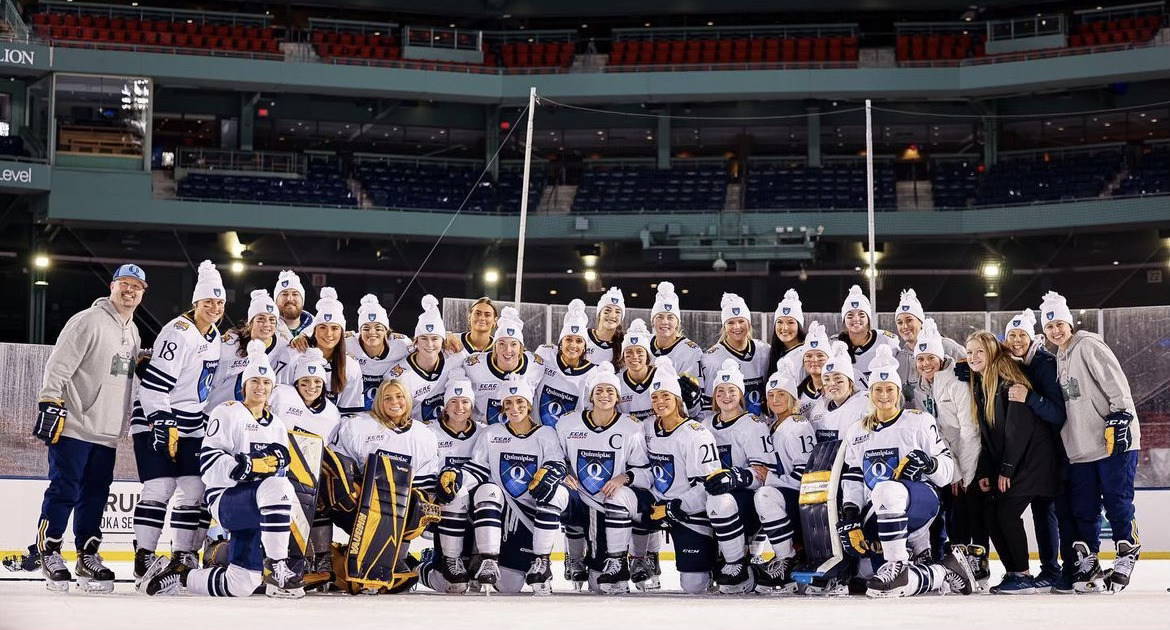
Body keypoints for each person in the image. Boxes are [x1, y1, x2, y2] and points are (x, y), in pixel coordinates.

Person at [139, 340, 302, 598]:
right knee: (279, 486)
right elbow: (209, 464)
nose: (260, 387)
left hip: (261, 507)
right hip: (227, 500)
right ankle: (277, 565)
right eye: (254, 382)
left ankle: (182, 577)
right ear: (244, 385)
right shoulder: (226, 413)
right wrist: (247, 466)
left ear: (272, 387)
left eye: (266, 383)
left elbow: (280, 468)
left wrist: (270, 465)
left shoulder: (278, 425)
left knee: (241, 584)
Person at [33, 263, 145, 592]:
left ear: (143, 292)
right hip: (75, 425)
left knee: (95, 495)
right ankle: (49, 552)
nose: (129, 290)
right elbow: (60, 362)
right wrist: (50, 399)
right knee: (64, 489)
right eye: (124, 283)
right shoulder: (88, 320)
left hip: (108, 432)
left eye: (136, 286)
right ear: (112, 286)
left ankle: (87, 555)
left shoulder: (133, 330)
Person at [837, 345, 974, 598]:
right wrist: (851, 514)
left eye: (889, 389)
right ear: (870, 393)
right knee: (872, 580)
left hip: (921, 503)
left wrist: (928, 463)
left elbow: (946, 472)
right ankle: (943, 571)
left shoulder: (919, 421)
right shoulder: (857, 431)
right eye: (878, 389)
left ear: (899, 392)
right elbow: (854, 478)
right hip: (879, 511)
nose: (884, 395)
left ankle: (898, 562)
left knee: (886, 488)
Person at [1040, 290, 1141, 593]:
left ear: (1069, 323)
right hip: (1081, 447)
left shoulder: (1088, 345)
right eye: (1049, 327)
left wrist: (1122, 414)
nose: (1056, 331)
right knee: (1083, 507)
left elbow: (1114, 380)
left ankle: (1126, 553)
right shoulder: (1058, 356)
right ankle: (1090, 560)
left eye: (1059, 324)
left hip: (1112, 441)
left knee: (1116, 500)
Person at [130, 260, 224, 583]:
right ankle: (144, 555)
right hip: (155, 416)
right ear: (195, 302)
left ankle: (183, 554)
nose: (214, 307)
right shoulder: (178, 333)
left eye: (219, 302)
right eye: (208, 302)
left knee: (194, 487)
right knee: (160, 486)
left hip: (191, 422)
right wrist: (162, 422)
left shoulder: (215, 337)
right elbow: (154, 388)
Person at [438, 374, 568, 595]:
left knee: (556, 493)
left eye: (519, 402)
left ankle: (542, 561)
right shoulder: (492, 433)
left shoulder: (546, 434)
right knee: (487, 490)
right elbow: (477, 469)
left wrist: (550, 473)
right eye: (508, 403)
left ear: (528, 405)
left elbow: (557, 465)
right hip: (504, 509)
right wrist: (457, 478)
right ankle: (488, 559)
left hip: (531, 513)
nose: (514, 408)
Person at [965, 330, 1059, 594]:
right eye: (969, 352)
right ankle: (1014, 572)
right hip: (1014, 461)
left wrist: (1006, 469)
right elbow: (987, 435)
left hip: (1032, 461)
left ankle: (1023, 574)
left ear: (993, 352)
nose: (973, 357)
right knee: (993, 513)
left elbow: (1017, 431)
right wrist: (986, 469)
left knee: (1006, 512)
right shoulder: (982, 383)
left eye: (979, 351)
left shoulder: (1008, 380)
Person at [332, 378, 440, 593]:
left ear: (408, 400)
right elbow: (340, 465)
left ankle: (396, 558)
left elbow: (426, 481)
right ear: (378, 401)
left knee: (418, 504)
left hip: (401, 504)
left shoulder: (424, 435)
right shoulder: (358, 426)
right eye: (387, 397)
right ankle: (335, 557)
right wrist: (354, 488)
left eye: (399, 396)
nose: (394, 402)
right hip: (361, 504)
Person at [556, 361, 653, 594]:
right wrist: (562, 474)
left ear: (618, 397)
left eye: (610, 391)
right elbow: (555, 457)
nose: (604, 395)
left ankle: (623, 558)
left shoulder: (632, 428)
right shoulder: (568, 423)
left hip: (610, 502)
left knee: (604, 582)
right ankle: (574, 557)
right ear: (590, 396)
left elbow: (645, 472)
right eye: (598, 390)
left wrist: (624, 478)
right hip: (579, 498)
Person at [1003, 308, 1073, 591]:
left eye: (1022, 335)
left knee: (1048, 512)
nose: (1017, 340)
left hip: (1055, 453)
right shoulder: (1017, 362)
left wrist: (1030, 397)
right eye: (1011, 335)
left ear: (1033, 338)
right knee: (1042, 512)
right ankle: (1053, 569)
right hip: (1035, 452)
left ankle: (1055, 570)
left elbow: (1058, 413)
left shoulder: (1044, 362)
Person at [643, 357, 724, 595]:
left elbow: (709, 486)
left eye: (666, 396)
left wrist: (675, 506)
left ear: (678, 399)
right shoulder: (647, 427)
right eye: (655, 397)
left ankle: (716, 561)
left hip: (688, 511)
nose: (660, 402)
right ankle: (637, 559)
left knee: (694, 585)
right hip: (657, 505)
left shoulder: (696, 434)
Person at [913, 319, 984, 579]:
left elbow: (969, 430)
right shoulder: (922, 387)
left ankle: (976, 564)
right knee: (945, 513)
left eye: (930, 357)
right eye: (920, 359)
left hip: (967, 461)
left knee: (966, 511)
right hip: (943, 462)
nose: (925, 364)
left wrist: (962, 473)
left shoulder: (956, 381)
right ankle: (945, 560)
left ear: (941, 357)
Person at [700, 358, 772, 593]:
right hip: (707, 494)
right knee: (694, 582)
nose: (726, 396)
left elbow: (762, 474)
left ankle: (736, 563)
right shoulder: (705, 424)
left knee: (719, 501)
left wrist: (734, 477)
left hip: (743, 498)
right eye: (720, 391)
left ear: (741, 394)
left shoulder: (753, 424)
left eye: (732, 390)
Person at [268, 347, 342, 576]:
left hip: (310, 474)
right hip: (275, 468)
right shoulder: (281, 395)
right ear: (296, 382)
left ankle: (321, 555)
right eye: (305, 381)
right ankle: (272, 556)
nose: (311, 387)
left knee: (319, 502)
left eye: (317, 382)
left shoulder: (331, 413)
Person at [751, 361, 817, 593]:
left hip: (800, 501)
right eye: (771, 395)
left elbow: (804, 477)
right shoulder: (772, 425)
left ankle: (785, 559)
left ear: (792, 398)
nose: (775, 399)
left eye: (781, 394)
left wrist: (770, 479)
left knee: (765, 495)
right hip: (785, 495)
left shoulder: (797, 426)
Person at [419, 368, 481, 593]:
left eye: (465, 401)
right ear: (445, 405)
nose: (459, 407)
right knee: (450, 584)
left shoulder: (482, 433)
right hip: (443, 506)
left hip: (473, 510)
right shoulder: (430, 432)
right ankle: (421, 567)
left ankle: (474, 558)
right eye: (453, 401)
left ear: (472, 405)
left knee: (473, 581)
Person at [206, 289, 294, 410]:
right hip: (217, 410)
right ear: (251, 322)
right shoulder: (230, 343)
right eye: (261, 319)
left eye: (272, 320)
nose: (267, 324)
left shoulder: (284, 347)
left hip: (254, 417)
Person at [283, 287, 364, 414]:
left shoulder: (351, 366)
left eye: (335, 328)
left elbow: (349, 411)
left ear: (342, 332)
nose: (328, 334)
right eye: (322, 327)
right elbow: (282, 397)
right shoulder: (294, 354)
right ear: (314, 331)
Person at [463, 306, 545, 425]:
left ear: (521, 348)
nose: (508, 350)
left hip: (520, 434)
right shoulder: (474, 366)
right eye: (502, 344)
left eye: (513, 344)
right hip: (485, 435)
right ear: (494, 347)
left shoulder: (536, 366)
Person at [381, 295, 453, 423]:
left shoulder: (453, 358)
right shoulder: (398, 376)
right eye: (424, 338)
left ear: (443, 340)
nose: (430, 344)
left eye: (435, 338)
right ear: (416, 341)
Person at [892, 289, 966, 410]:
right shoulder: (898, 358)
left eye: (909, 320)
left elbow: (972, 373)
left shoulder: (946, 347)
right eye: (900, 322)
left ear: (920, 321)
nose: (904, 326)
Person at [700, 292, 770, 416]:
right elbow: (709, 406)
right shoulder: (711, 359)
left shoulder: (764, 351)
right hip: (730, 429)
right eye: (731, 322)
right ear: (724, 326)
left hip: (762, 426)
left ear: (749, 323)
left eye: (741, 321)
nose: (736, 327)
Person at [533, 299, 596, 427]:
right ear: (561, 343)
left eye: (579, 341)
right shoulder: (545, 354)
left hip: (568, 438)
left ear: (585, 347)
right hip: (537, 433)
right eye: (568, 339)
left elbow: (589, 411)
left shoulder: (591, 373)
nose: (573, 345)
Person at [345, 294, 411, 410]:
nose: (372, 332)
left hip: (388, 408)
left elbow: (426, 346)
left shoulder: (401, 345)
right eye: (366, 328)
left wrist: (446, 336)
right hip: (356, 408)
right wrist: (304, 336)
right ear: (359, 331)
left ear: (386, 331)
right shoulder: (348, 342)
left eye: (378, 328)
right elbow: (323, 337)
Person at [837, 284, 900, 389]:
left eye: (861, 314)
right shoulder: (836, 345)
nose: (856, 319)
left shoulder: (886, 340)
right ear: (844, 320)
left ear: (868, 318)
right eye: (850, 315)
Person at [809, 346, 868, 443]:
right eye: (827, 379)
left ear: (850, 382)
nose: (832, 383)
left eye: (838, 379)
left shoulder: (864, 404)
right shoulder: (818, 409)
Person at [648, 281, 703, 378]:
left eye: (670, 317)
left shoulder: (691, 351)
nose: (665, 322)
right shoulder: (644, 344)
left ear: (677, 323)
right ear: (652, 321)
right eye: (660, 317)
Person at [443, 297, 499, 364]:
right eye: (477, 313)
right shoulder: (454, 341)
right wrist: (444, 337)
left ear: (495, 321)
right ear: (469, 317)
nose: (481, 318)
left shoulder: (499, 348)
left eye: (487, 315)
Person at [766, 289, 807, 373]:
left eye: (790, 322)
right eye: (780, 322)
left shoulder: (806, 352)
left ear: (799, 325)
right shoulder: (774, 353)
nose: (784, 328)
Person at [585, 287, 626, 365]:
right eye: (607, 311)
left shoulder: (624, 343)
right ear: (599, 314)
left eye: (618, 312)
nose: (612, 315)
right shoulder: (583, 336)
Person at [274, 269, 313, 338]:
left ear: (302, 300)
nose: (289, 299)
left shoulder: (316, 330)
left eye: (295, 294)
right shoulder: (267, 330)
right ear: (276, 300)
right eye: (284, 294)